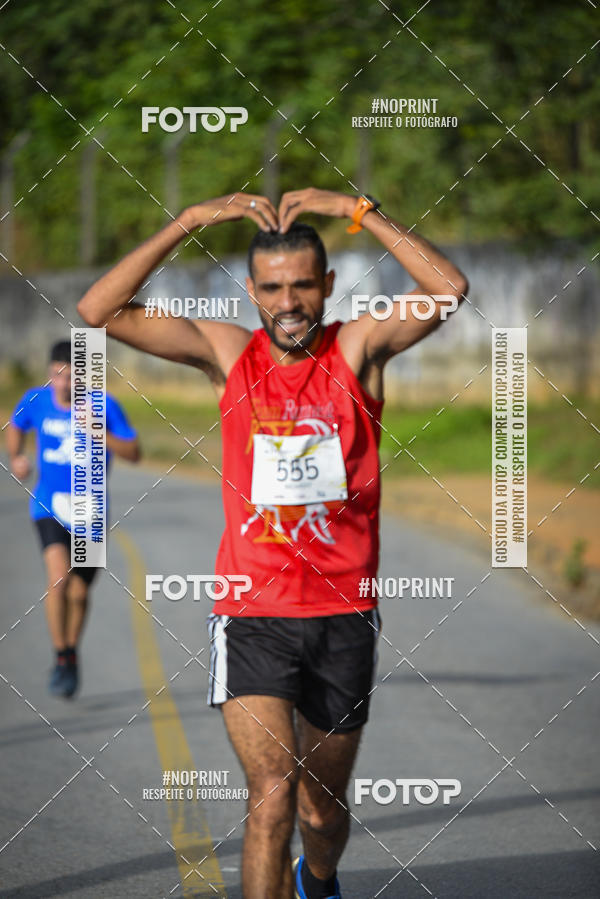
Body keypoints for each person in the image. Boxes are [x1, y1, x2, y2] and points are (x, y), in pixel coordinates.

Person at [76, 188, 468, 899]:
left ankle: (318, 879)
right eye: (272, 287)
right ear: (252, 291)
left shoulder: (356, 347)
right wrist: (189, 221)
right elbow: (97, 310)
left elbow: (448, 289)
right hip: (252, 611)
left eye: (302, 285)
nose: (288, 302)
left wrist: (359, 211)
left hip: (343, 612)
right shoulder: (229, 352)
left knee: (321, 810)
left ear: (327, 283)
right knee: (271, 796)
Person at [7, 340, 140, 698]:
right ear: (49, 373)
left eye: (71, 378)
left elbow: (134, 452)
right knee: (59, 579)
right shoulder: (36, 400)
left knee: (80, 592)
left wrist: (101, 434)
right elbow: (15, 425)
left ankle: (72, 652)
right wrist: (17, 456)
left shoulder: (104, 405)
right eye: (57, 375)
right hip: (49, 504)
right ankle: (61, 656)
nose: (64, 384)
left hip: (91, 511)